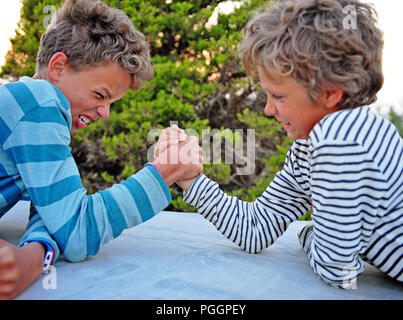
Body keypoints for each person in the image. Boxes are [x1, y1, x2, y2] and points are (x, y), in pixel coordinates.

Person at [156, 0, 402, 288]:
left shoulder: (340, 141)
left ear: (330, 93)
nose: (268, 110)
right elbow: (255, 228)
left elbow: (337, 270)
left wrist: (311, 236)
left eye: (279, 97)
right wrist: (191, 180)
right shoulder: (309, 145)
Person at [0, 0, 202, 299]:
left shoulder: (26, 114)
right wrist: (164, 172)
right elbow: (78, 229)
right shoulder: (40, 101)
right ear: (58, 67)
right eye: (100, 95)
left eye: (111, 103)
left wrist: (36, 253)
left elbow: (55, 214)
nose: (105, 114)